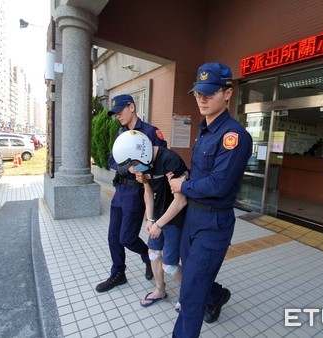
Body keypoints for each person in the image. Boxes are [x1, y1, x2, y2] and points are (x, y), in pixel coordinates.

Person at [168, 62, 252, 337]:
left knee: (190, 294)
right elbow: (202, 173)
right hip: (193, 217)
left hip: (214, 222)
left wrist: (184, 184)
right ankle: (217, 297)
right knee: (193, 274)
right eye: (198, 93)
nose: (202, 99)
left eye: (210, 92)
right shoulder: (204, 130)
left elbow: (218, 183)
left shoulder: (234, 136)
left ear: (227, 94)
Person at [95, 94, 167, 293]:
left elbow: (162, 159)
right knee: (112, 237)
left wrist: (144, 170)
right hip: (120, 190)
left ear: (132, 107)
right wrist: (127, 168)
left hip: (137, 192)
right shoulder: (120, 133)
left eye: (120, 111)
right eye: (115, 113)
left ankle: (147, 256)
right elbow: (112, 160)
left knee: (126, 238)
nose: (118, 115)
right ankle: (118, 272)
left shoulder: (151, 132)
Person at [111, 130, 188, 309]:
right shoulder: (143, 165)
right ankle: (160, 290)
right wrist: (150, 220)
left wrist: (159, 224)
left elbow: (181, 201)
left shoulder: (170, 160)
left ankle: (188, 295)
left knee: (169, 264)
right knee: (153, 254)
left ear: (140, 154)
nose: (132, 169)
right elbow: (147, 191)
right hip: (158, 218)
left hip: (175, 218)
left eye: (132, 165)